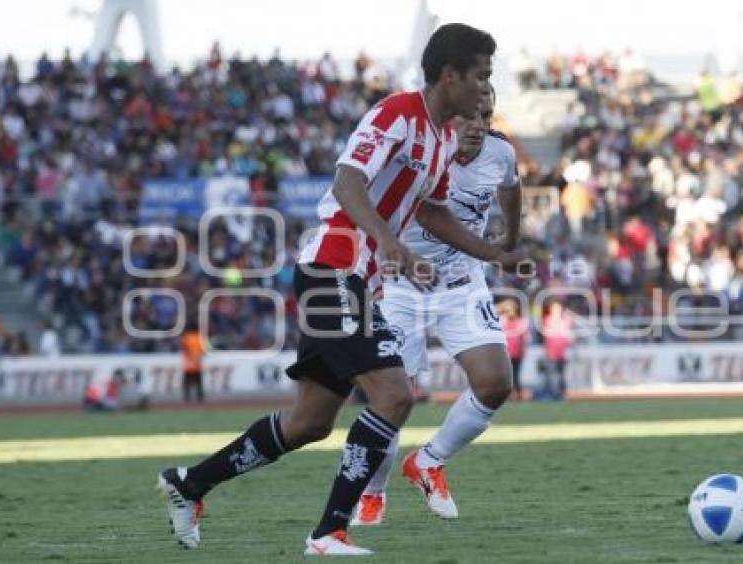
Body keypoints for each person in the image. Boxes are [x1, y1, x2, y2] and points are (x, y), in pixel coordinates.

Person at [157, 23, 525, 556]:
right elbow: (346, 181)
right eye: (481, 76)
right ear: (451, 76)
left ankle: (188, 484)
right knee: (394, 394)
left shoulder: (444, 137)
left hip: (360, 279)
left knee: (308, 422)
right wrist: (388, 242)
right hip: (333, 267)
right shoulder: (397, 114)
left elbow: (431, 209)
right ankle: (329, 531)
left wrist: (492, 252)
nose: (486, 88)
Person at [351, 87, 522, 526]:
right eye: (469, 117)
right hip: (400, 284)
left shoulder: (500, 153)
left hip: (462, 283)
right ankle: (372, 492)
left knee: (496, 383)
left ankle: (428, 461)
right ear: (450, 117)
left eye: (485, 116)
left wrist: (510, 238)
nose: (477, 127)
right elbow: (420, 211)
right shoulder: (424, 150)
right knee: (392, 399)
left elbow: (512, 186)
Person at [537, 300, 573, 400]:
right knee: (553, 375)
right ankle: (555, 394)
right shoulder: (547, 320)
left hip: (562, 352)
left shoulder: (566, 320)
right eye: (554, 308)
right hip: (551, 352)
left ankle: (561, 393)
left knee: (561, 374)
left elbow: (568, 334)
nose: (556, 310)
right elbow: (546, 332)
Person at [499, 298, 528, 401]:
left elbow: (524, 335)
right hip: (505, 352)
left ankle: (517, 394)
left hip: (517, 352)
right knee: (507, 376)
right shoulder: (502, 320)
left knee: (516, 375)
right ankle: (508, 395)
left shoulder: (520, 321)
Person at [179, 321, 205, 403]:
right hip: (197, 363)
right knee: (198, 382)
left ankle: (187, 398)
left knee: (187, 382)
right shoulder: (199, 338)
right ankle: (200, 398)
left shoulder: (186, 338)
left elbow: (182, 347)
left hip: (188, 364)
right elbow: (203, 351)